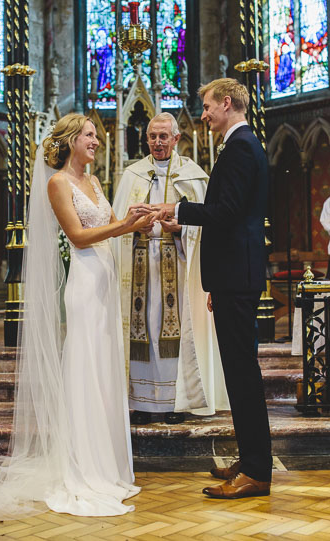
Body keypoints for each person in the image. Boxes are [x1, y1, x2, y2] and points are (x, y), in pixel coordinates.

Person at [0, 114, 153, 524]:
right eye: (89, 135)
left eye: (96, 136)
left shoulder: (92, 182)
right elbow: (77, 236)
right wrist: (122, 226)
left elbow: (108, 227)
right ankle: (82, 467)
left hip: (106, 281)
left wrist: (135, 222)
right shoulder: (59, 183)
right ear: (71, 140)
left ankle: (106, 465)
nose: (96, 141)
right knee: (86, 369)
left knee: (105, 370)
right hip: (85, 283)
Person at [145, 78, 272, 499]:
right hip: (233, 275)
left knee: (242, 374)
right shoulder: (240, 144)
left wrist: (175, 208)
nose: (203, 115)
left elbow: (228, 212)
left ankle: (256, 471)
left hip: (237, 275)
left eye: (207, 106)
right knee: (239, 372)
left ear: (228, 103)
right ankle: (252, 458)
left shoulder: (240, 147)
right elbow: (229, 215)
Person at [112, 112, 228, 425]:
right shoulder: (133, 174)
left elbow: (208, 227)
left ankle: (176, 401)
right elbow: (115, 225)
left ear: (177, 139)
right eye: (153, 136)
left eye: (164, 136)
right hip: (138, 268)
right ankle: (144, 403)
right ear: (146, 139)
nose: (158, 142)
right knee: (144, 332)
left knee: (174, 334)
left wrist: (181, 229)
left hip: (177, 267)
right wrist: (133, 226)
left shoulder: (192, 175)